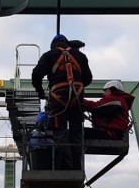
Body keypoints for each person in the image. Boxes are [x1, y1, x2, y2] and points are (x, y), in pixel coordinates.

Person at [31, 34, 93, 170]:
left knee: (60, 132)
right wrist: (78, 85)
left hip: (58, 98)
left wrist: (40, 91)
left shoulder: (49, 55)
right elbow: (88, 78)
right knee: (76, 131)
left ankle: (65, 167)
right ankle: (77, 167)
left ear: (53, 45)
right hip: (77, 97)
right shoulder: (80, 56)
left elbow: (36, 74)